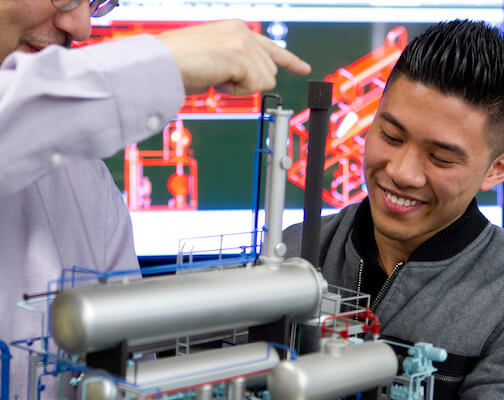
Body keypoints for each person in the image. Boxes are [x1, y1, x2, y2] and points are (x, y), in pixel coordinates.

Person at [0, 0, 311, 398]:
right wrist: (161, 65)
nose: (81, 27)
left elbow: (127, 369)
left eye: (98, 4)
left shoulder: (83, 180)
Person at [283, 20, 504, 399]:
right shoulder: (296, 252)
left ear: (496, 169)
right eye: (390, 136)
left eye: (440, 158)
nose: (402, 173)